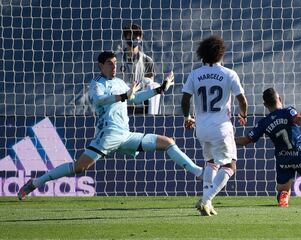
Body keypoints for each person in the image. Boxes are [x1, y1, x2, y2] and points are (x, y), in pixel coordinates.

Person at [17, 51, 203, 200]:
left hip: (126, 134)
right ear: (101, 65)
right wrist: (124, 96)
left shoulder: (120, 82)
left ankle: (199, 173)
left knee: (167, 142)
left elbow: (135, 97)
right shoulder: (96, 84)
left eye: (115, 63)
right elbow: (101, 100)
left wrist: (159, 89)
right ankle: (35, 183)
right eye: (110, 63)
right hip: (107, 136)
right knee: (80, 167)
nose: (114, 66)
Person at [235, 87, 301, 207]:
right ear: (279, 99)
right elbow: (300, 119)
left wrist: (230, 142)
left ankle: (283, 197)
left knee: (283, 189)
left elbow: (246, 140)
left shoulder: (263, 123)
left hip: (283, 158)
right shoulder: (288, 111)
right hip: (300, 154)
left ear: (265, 104)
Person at [181, 35, 248, 216]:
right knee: (230, 165)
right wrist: (243, 114)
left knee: (211, 163)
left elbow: (185, 98)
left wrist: (187, 117)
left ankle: (207, 203)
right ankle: (206, 199)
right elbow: (242, 100)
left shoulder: (194, 74)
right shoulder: (229, 74)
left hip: (201, 128)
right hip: (221, 127)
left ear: (202, 54)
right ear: (220, 54)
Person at [115, 23, 161, 115]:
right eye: (131, 35)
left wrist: (139, 85)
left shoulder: (147, 60)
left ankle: (152, 118)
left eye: (137, 36)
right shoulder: (116, 59)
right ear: (125, 37)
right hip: (121, 98)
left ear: (141, 38)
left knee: (155, 86)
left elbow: (150, 85)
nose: (134, 38)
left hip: (139, 97)